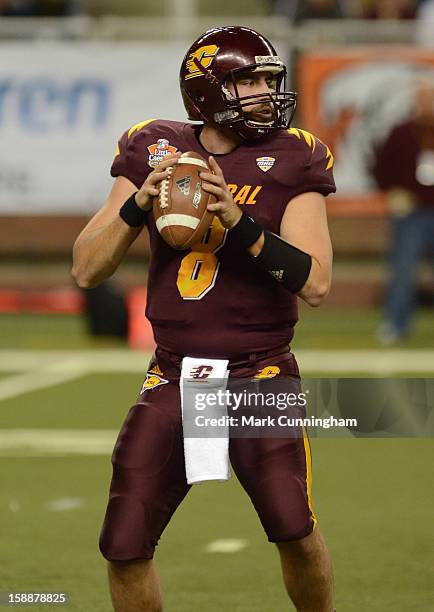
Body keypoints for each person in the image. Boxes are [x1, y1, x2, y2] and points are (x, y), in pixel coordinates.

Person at [72, 26, 336, 611]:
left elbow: (316, 282)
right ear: (208, 90)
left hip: (258, 374)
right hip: (175, 373)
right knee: (124, 543)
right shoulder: (156, 148)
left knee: (293, 528)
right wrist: (138, 204)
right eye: (251, 79)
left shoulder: (294, 156)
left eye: (271, 79)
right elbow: (87, 270)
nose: (267, 90)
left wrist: (238, 224)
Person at [373, 77, 434, 344]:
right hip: (411, 214)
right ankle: (395, 325)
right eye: (422, 99)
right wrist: (394, 192)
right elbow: (380, 169)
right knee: (403, 270)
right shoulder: (401, 132)